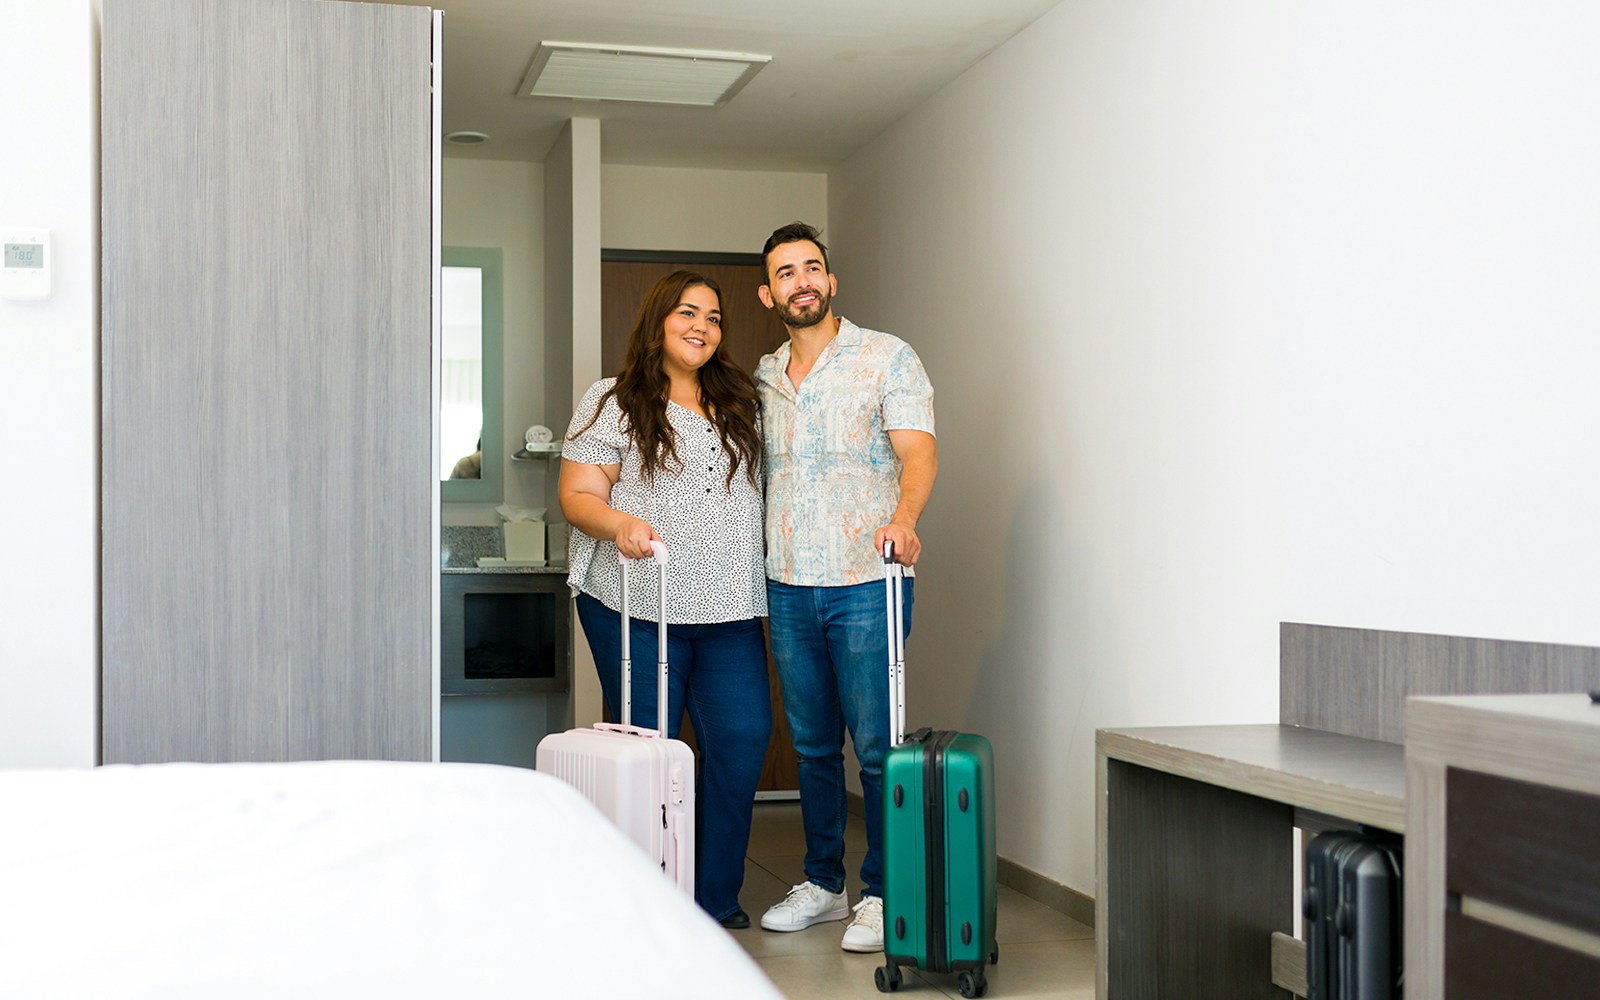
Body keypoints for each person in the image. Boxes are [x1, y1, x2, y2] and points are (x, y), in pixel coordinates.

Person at [558, 270, 772, 929]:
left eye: (712, 317)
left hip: (730, 606)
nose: (702, 326)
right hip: (636, 604)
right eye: (687, 312)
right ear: (658, 322)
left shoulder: (742, 404)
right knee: (650, 752)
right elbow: (578, 496)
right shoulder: (613, 400)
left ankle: (711, 898)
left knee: (741, 741)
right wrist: (620, 524)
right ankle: (649, 896)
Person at [752, 223, 938, 952]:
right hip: (790, 584)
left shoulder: (887, 357)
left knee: (876, 747)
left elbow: (917, 451)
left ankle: (883, 892)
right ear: (769, 294)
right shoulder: (762, 377)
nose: (801, 281)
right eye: (785, 273)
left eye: (813, 268)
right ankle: (825, 885)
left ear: (831, 283)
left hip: (868, 581)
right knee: (810, 747)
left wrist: (905, 517)